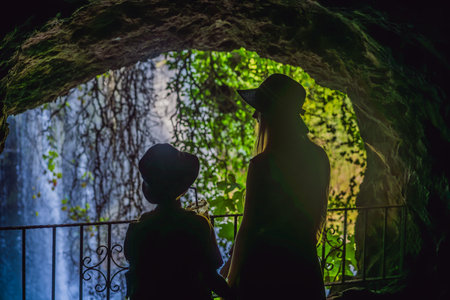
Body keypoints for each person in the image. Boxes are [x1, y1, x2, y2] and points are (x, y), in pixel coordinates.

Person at [226, 74, 330, 299]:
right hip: (304, 267)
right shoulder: (319, 157)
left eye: (259, 110)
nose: (255, 115)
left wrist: (230, 279)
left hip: (265, 272)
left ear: (270, 116)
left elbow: (248, 228)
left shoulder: (262, 164)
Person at [124, 143, 234, 300]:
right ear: (182, 187)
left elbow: (135, 280)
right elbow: (212, 273)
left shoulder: (137, 229)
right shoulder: (198, 224)